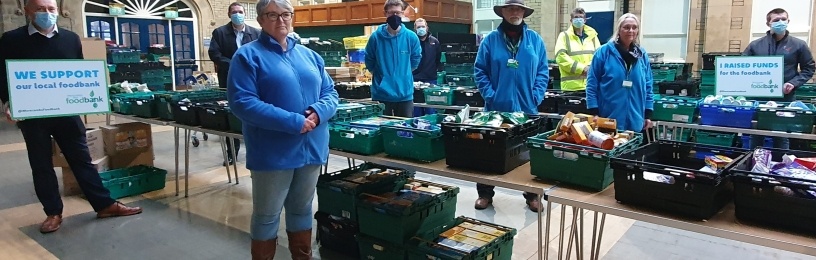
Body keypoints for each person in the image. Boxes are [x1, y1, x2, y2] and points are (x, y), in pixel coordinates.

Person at [0, 0, 142, 234]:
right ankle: (53, 212)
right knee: (41, 164)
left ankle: (104, 204)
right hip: (32, 115)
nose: (47, 13)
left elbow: (79, 73)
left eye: (51, 9)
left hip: (66, 113)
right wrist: (8, 102)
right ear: (27, 11)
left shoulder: (70, 39)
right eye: (40, 9)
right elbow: (2, 74)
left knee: (82, 160)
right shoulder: (12, 40)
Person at [226, 0, 339, 258]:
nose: (281, 20)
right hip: (273, 151)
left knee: (302, 209)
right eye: (272, 15)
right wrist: (293, 121)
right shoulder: (247, 56)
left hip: (312, 147)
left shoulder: (310, 55)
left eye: (286, 14)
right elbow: (243, 102)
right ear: (260, 20)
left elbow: (330, 92)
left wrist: (318, 112)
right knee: (267, 214)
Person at [473, 0, 548, 213]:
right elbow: (479, 71)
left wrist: (536, 96)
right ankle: (485, 193)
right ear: (503, 12)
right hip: (496, 109)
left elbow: (543, 71)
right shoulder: (490, 41)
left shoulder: (535, 40)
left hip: (527, 108)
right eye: (510, 8)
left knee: (528, 154)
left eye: (519, 8)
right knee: (489, 152)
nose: (515, 12)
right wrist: (491, 96)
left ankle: (532, 195)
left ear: (524, 12)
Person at [743, 8, 815, 149]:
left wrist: (793, 83)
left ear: (788, 21)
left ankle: (781, 161)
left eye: (783, 19)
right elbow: (743, 67)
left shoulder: (799, 45)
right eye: (776, 20)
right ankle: (753, 160)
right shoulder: (755, 45)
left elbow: (809, 68)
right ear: (768, 23)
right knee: (756, 133)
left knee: (781, 135)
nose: (780, 22)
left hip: (784, 98)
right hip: (759, 98)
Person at [208, 2, 261, 166]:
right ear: (229, 14)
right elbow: (214, 54)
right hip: (228, 78)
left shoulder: (256, 33)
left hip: (253, 80)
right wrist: (234, 64)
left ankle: (256, 149)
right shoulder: (220, 33)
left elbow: (262, 53)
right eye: (234, 12)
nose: (237, 14)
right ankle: (232, 152)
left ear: (244, 14)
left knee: (254, 111)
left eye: (240, 11)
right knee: (230, 115)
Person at [586, 13, 654, 132]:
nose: (631, 31)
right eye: (626, 27)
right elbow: (592, 84)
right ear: (619, 30)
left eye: (634, 27)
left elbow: (648, 86)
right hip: (608, 120)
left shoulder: (642, 55)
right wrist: (594, 112)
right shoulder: (603, 53)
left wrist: (647, 114)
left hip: (635, 121)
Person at [364, 0, 422, 117]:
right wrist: (382, 77)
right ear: (385, 13)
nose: (395, 16)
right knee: (382, 127)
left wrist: (403, 74)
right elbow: (369, 59)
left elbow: (416, 59)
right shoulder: (375, 38)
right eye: (391, 13)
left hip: (404, 94)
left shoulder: (411, 37)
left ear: (402, 13)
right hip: (381, 95)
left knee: (405, 128)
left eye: (398, 13)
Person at [554, 7, 601, 92]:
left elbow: (599, 56)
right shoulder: (564, 36)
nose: (578, 19)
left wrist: (590, 67)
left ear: (585, 20)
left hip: (591, 85)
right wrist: (582, 68)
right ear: (571, 20)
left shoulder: (593, 36)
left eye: (581, 17)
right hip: (571, 88)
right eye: (576, 17)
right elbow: (560, 57)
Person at [412, 18, 442, 115]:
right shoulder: (412, 41)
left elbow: (438, 59)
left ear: (427, 27)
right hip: (414, 79)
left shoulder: (435, 42)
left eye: (423, 26)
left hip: (431, 79)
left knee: (431, 109)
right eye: (418, 27)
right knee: (416, 109)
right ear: (415, 29)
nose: (421, 29)